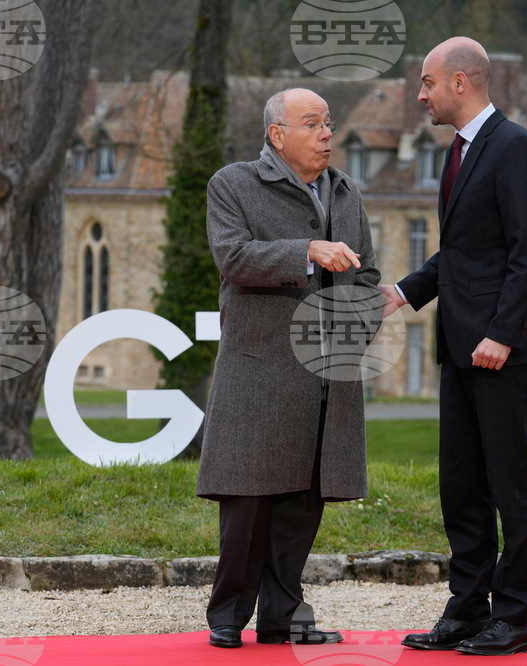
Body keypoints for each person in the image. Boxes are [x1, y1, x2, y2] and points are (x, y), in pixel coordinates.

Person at [381, 37, 527, 656]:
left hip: (502, 351)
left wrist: (501, 335)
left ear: (460, 82)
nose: (419, 95)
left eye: (426, 83)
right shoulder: (461, 152)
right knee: (461, 484)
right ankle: (469, 608)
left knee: (511, 485)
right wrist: (401, 292)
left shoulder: (514, 147)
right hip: (459, 347)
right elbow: (463, 252)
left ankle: (514, 618)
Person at [196, 88, 380, 649]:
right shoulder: (232, 185)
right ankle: (227, 615)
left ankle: (282, 615)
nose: (327, 134)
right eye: (312, 124)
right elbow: (233, 257)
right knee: (248, 504)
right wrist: (308, 251)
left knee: (304, 502)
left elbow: (368, 276)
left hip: (326, 377)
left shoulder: (346, 193)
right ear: (278, 135)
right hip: (259, 373)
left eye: (328, 123)